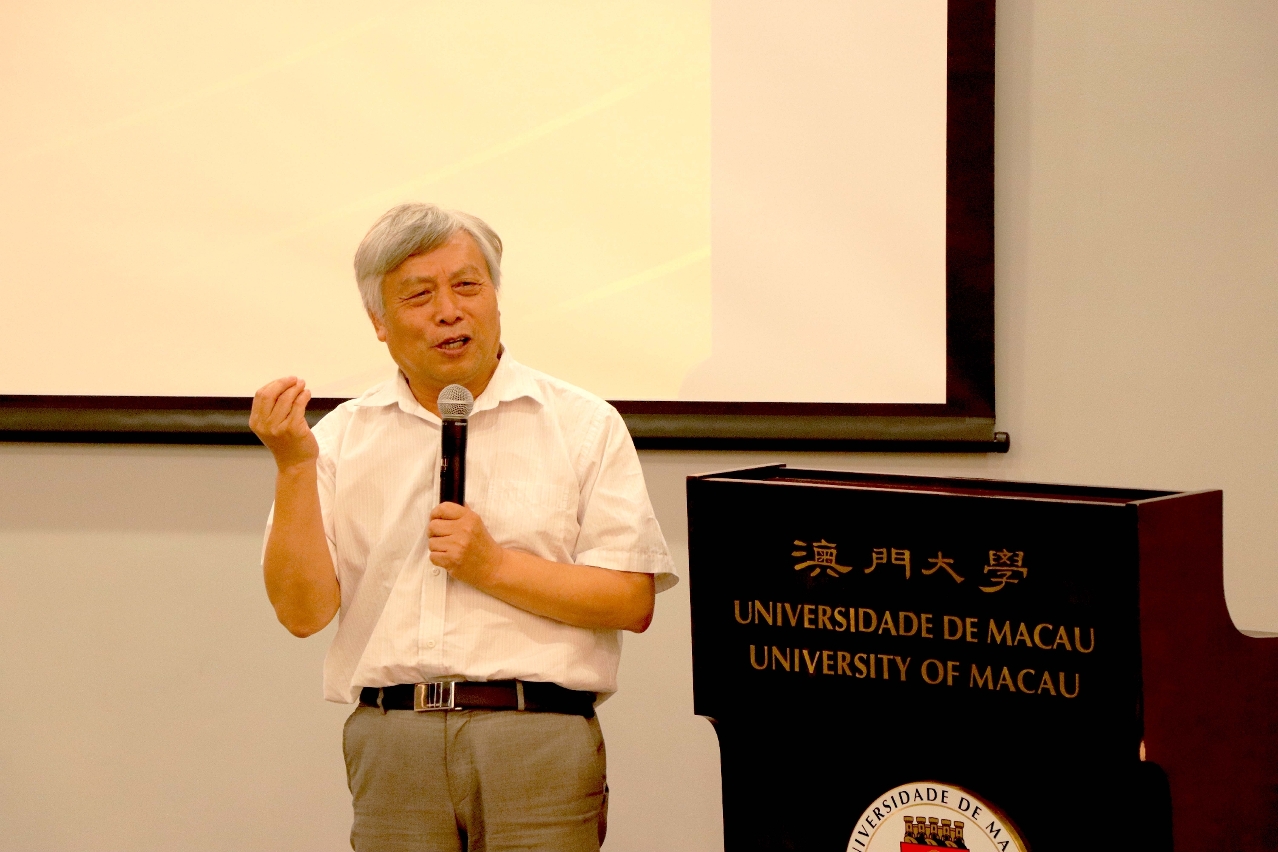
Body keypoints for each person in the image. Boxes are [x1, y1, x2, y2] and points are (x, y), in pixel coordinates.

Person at [249, 203, 676, 852]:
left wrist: (493, 566)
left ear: (496, 297)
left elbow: (630, 600)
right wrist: (293, 467)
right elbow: (302, 614)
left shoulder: (582, 423)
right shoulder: (338, 438)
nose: (449, 311)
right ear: (379, 323)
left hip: (534, 733)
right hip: (393, 739)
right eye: (419, 295)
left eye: (467, 286)